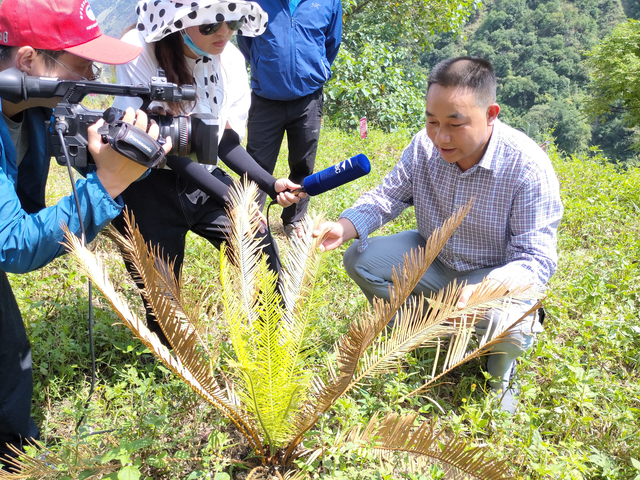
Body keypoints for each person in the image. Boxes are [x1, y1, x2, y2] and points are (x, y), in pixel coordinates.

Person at [314, 57, 564, 413]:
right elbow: (388, 196)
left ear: (491, 113)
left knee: (505, 323)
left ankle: (500, 377)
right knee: (359, 259)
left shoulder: (527, 168)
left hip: (490, 273)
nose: (440, 137)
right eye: (432, 121)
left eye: (455, 124)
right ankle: (425, 330)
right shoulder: (423, 146)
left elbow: (536, 260)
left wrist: (486, 289)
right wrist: (345, 226)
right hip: (433, 256)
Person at [0, 0, 173, 465]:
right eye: (81, 61)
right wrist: (109, 182)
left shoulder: (31, 106)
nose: (94, 70)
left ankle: (14, 451)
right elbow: (12, 244)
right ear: (29, 61)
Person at [112, 0, 304, 345]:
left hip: (202, 177)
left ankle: (271, 343)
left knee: (256, 245)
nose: (225, 32)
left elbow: (221, 139)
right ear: (176, 23)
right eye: (210, 25)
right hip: (147, 185)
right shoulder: (138, 51)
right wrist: (235, 199)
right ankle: (174, 361)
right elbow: (164, 150)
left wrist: (269, 184)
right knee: (161, 296)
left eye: (232, 21)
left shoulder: (229, 58)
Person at [236, 0, 342, 237]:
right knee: (256, 164)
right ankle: (251, 222)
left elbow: (331, 41)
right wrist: (266, 70)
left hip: (308, 98)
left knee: (303, 162)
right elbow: (246, 43)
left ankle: (294, 220)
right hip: (265, 97)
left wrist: (316, 68)